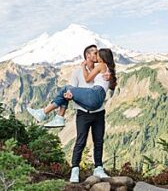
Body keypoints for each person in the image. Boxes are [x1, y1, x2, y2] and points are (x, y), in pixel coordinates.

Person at [27, 47, 116, 182]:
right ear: (87, 55)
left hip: (98, 111)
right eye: (94, 52)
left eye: (98, 53)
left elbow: (109, 85)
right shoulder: (79, 73)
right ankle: (75, 170)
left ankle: (51, 115)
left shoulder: (100, 68)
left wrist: (109, 77)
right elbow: (71, 91)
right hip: (83, 112)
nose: (96, 54)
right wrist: (68, 96)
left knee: (98, 141)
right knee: (80, 141)